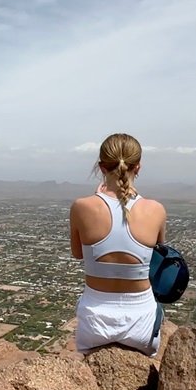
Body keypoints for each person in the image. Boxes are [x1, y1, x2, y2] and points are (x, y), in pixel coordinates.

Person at [69, 133, 168, 356]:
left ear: (101, 167)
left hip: (95, 324)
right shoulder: (156, 210)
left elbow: (78, 253)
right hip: (142, 323)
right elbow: (158, 257)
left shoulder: (82, 207)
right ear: (138, 167)